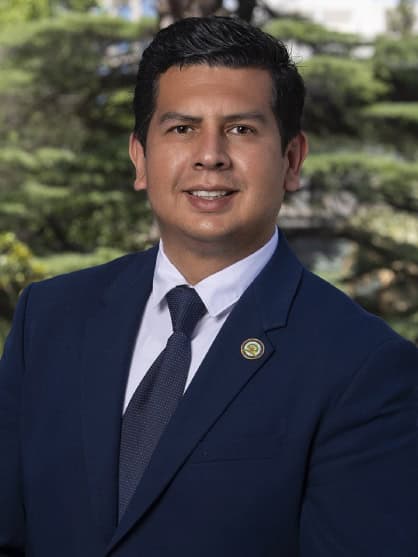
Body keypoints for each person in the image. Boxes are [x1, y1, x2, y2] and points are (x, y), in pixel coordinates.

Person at [0, 15, 417, 557]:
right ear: (140, 158)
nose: (210, 155)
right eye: (182, 128)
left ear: (291, 161)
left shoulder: (364, 366)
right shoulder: (50, 318)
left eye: (241, 129)